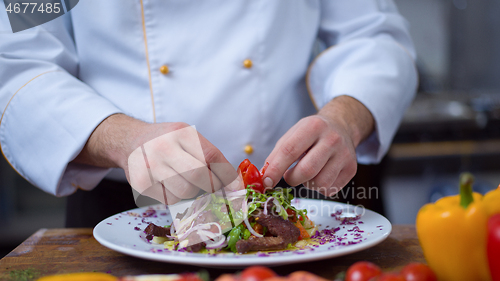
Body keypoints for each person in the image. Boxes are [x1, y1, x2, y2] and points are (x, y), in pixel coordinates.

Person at [0, 0, 417, 227]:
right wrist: (122, 139)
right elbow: (19, 60)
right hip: (124, 212)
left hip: (292, 199)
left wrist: (345, 117)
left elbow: (372, 33)